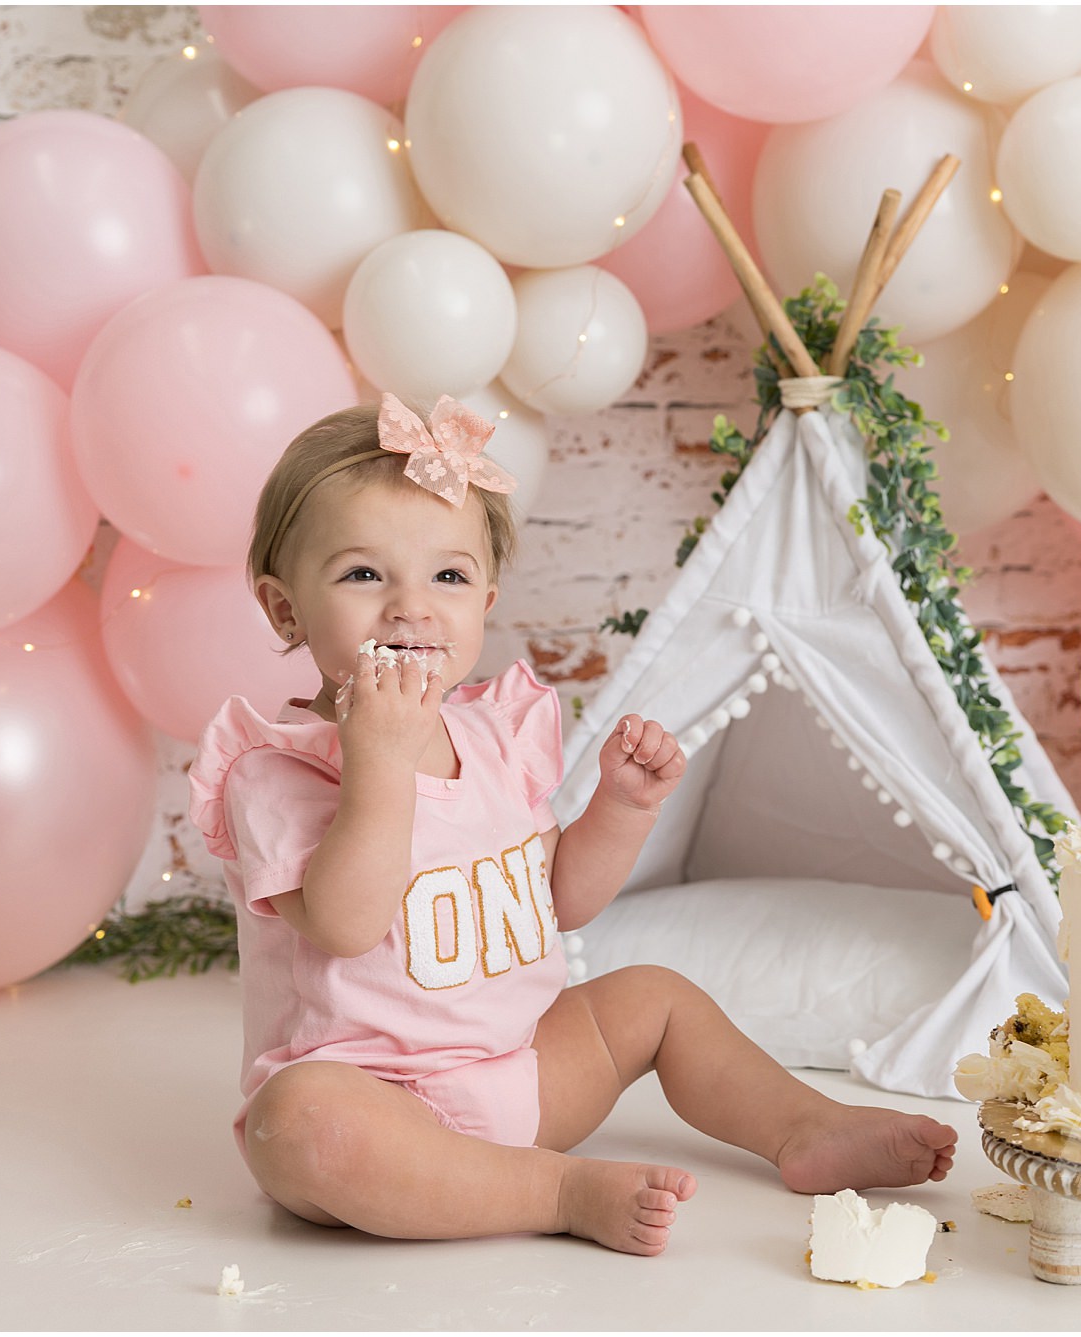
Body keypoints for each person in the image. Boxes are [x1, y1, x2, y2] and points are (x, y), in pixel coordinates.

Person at [189, 393, 956, 1256]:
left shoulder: (493, 737)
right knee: (297, 1126)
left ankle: (805, 1126)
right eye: (364, 574)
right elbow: (345, 922)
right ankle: (555, 1190)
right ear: (285, 608)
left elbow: (561, 899)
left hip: (525, 1071)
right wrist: (378, 762)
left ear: (485, 597)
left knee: (655, 997)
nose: (412, 607)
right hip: (377, 1103)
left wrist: (620, 809)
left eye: (447, 576)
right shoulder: (276, 772)